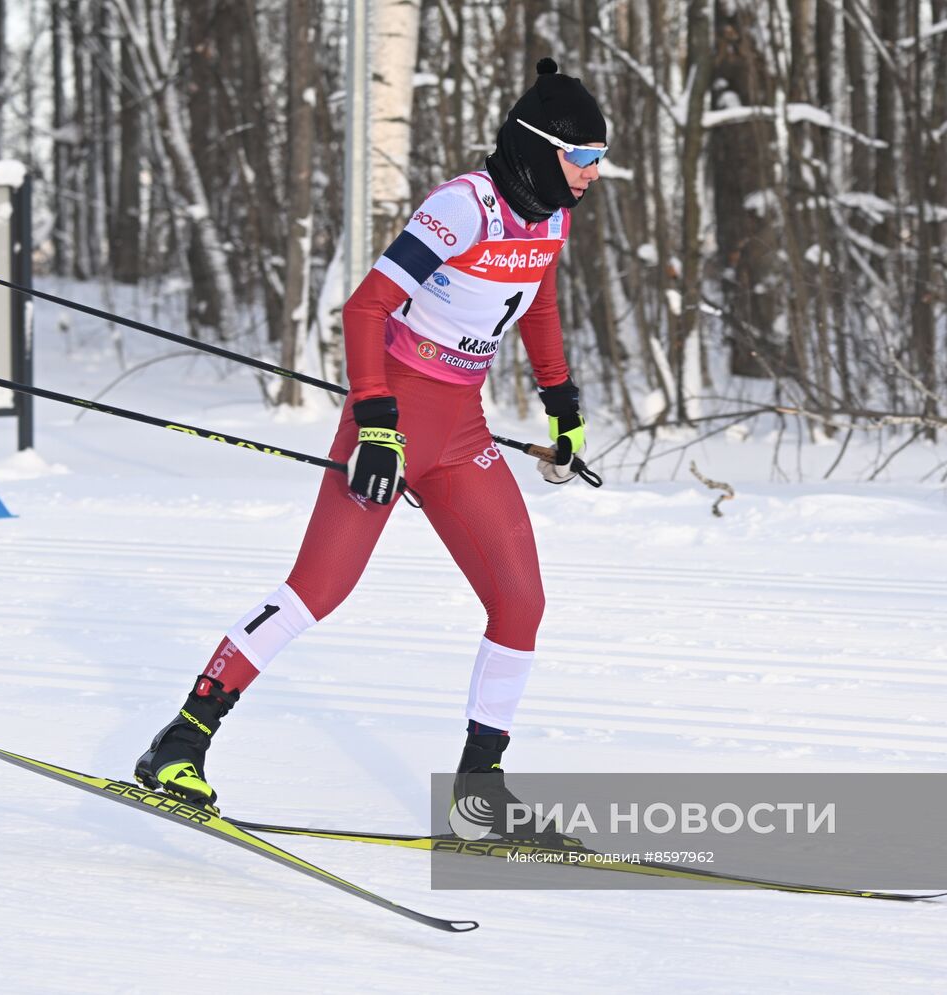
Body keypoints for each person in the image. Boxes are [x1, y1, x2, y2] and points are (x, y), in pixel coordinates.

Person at [135, 57, 608, 833]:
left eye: (600, 159)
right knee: (317, 589)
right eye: (583, 157)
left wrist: (563, 405)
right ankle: (181, 739)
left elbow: (540, 304)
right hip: (389, 415)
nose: (592, 174)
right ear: (536, 146)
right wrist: (379, 426)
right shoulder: (463, 209)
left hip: (460, 429)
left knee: (521, 600)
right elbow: (365, 311)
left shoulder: (551, 218)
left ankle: (479, 799)